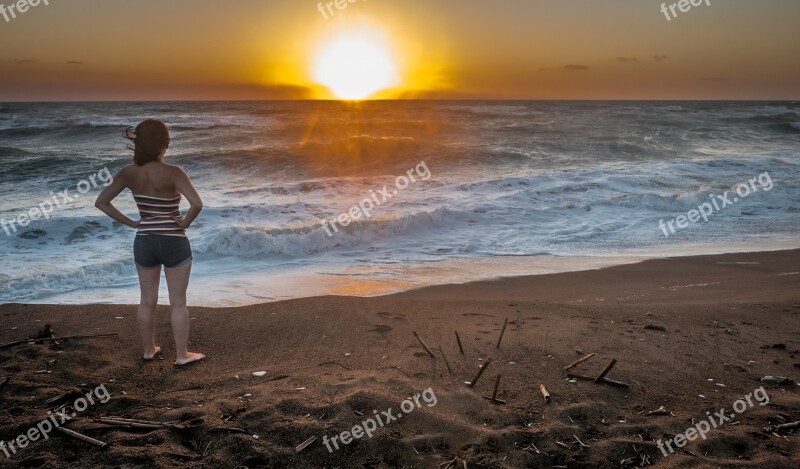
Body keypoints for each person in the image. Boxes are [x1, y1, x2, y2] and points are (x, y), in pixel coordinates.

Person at [95, 119, 205, 366]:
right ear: (164, 144)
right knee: (178, 302)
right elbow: (197, 204)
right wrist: (184, 223)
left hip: (144, 240)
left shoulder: (128, 173)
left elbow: (101, 202)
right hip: (174, 241)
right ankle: (182, 355)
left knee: (147, 299)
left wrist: (132, 223)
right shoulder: (175, 172)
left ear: (138, 143)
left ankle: (148, 350)